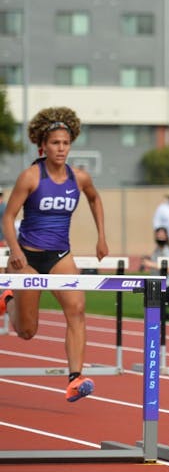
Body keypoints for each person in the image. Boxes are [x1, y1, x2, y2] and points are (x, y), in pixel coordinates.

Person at [0, 107, 109, 402]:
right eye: (55, 143)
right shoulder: (31, 177)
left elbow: (95, 199)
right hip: (28, 259)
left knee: (77, 309)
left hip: (60, 255)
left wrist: (101, 237)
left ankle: (75, 378)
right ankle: (7, 298)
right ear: (43, 146)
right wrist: (15, 251)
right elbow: (8, 217)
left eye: (65, 143)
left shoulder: (79, 178)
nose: (61, 148)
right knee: (26, 331)